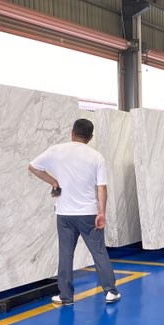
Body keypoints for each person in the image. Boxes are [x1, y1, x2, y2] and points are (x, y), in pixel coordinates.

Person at [28, 118, 121, 306]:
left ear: (72, 133)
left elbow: (33, 167)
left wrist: (54, 182)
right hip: (88, 214)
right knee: (99, 252)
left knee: (65, 254)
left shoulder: (56, 150)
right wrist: (101, 212)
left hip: (64, 214)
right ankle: (110, 292)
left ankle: (66, 296)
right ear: (90, 137)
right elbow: (101, 187)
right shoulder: (96, 157)